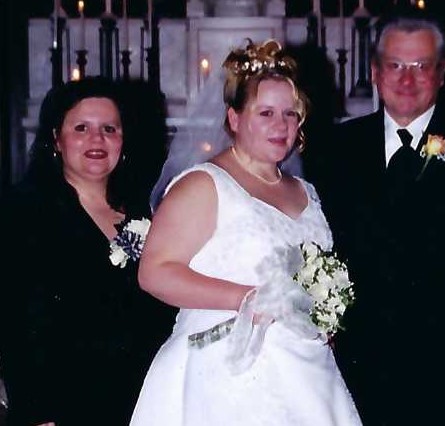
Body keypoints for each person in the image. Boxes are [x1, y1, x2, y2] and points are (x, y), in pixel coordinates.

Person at [129, 39, 362, 425]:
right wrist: (249, 300)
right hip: (222, 372)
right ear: (234, 118)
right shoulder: (205, 184)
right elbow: (154, 273)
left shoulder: (306, 191)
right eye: (266, 112)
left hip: (306, 374)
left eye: (290, 114)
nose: (281, 125)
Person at [327, 11, 445, 425]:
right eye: (395, 65)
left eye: (421, 66)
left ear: (442, 72)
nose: (407, 79)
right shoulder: (336, 148)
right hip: (355, 371)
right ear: (375, 72)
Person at [0, 76, 175, 426]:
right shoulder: (23, 211)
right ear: (56, 139)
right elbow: (16, 320)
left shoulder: (141, 211)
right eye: (81, 128)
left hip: (141, 399)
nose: (97, 139)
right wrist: (37, 410)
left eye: (109, 128)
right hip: (65, 404)